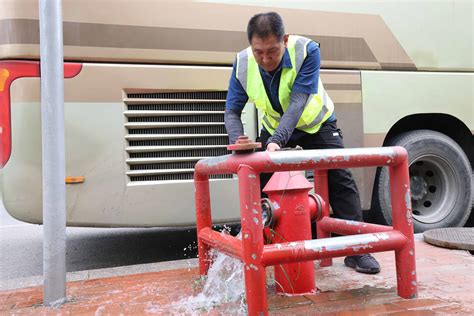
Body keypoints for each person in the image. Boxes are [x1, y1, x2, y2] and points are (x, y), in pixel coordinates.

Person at [224, 12, 380, 274]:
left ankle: (358, 251)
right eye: (258, 52)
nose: (265, 59)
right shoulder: (242, 62)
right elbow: (231, 111)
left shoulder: (306, 51)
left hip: (316, 124)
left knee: (340, 180)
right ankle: (264, 248)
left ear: (284, 40)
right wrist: (237, 142)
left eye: (272, 51)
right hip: (275, 127)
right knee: (259, 184)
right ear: (251, 46)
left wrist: (276, 142)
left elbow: (298, 102)